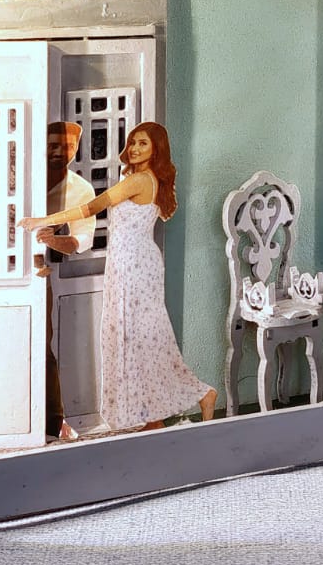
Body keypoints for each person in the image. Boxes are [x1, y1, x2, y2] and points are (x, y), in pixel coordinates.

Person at [20, 122, 216, 433]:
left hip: (134, 264)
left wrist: (43, 220)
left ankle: (200, 394)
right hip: (130, 261)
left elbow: (91, 207)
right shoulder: (143, 179)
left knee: (142, 338)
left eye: (143, 144)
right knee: (138, 339)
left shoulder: (139, 181)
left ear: (156, 150)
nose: (135, 148)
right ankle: (155, 417)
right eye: (133, 142)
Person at [31, 121, 97, 443]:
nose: (60, 151)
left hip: (38, 275)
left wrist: (54, 240)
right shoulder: (23, 173)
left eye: (68, 146)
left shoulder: (81, 190)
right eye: (53, 144)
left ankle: (52, 423)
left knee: (42, 347)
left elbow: (83, 240)